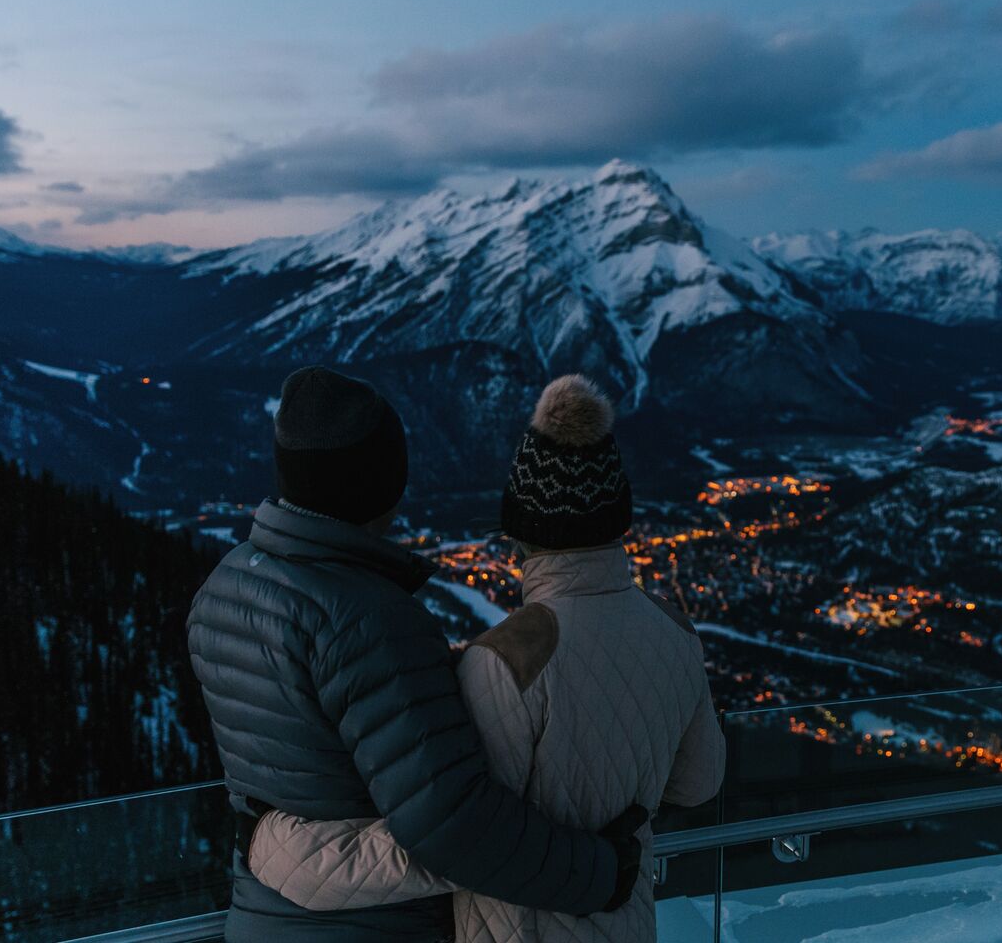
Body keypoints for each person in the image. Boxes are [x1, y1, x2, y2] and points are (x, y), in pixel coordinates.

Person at [244, 373, 727, 943]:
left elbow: (459, 842)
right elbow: (699, 783)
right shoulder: (673, 630)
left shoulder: (508, 660)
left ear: (522, 528)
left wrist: (287, 852)